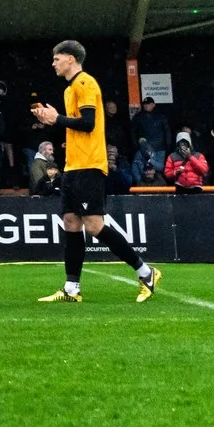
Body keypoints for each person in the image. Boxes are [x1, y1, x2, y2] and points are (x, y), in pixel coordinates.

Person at [29, 40, 158, 304]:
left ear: (72, 59)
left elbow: (88, 124)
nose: (53, 63)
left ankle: (146, 272)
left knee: (95, 225)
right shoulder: (69, 90)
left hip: (90, 163)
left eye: (57, 58)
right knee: (71, 222)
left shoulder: (86, 83)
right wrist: (51, 121)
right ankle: (71, 289)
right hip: (74, 165)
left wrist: (58, 119)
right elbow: (73, 125)